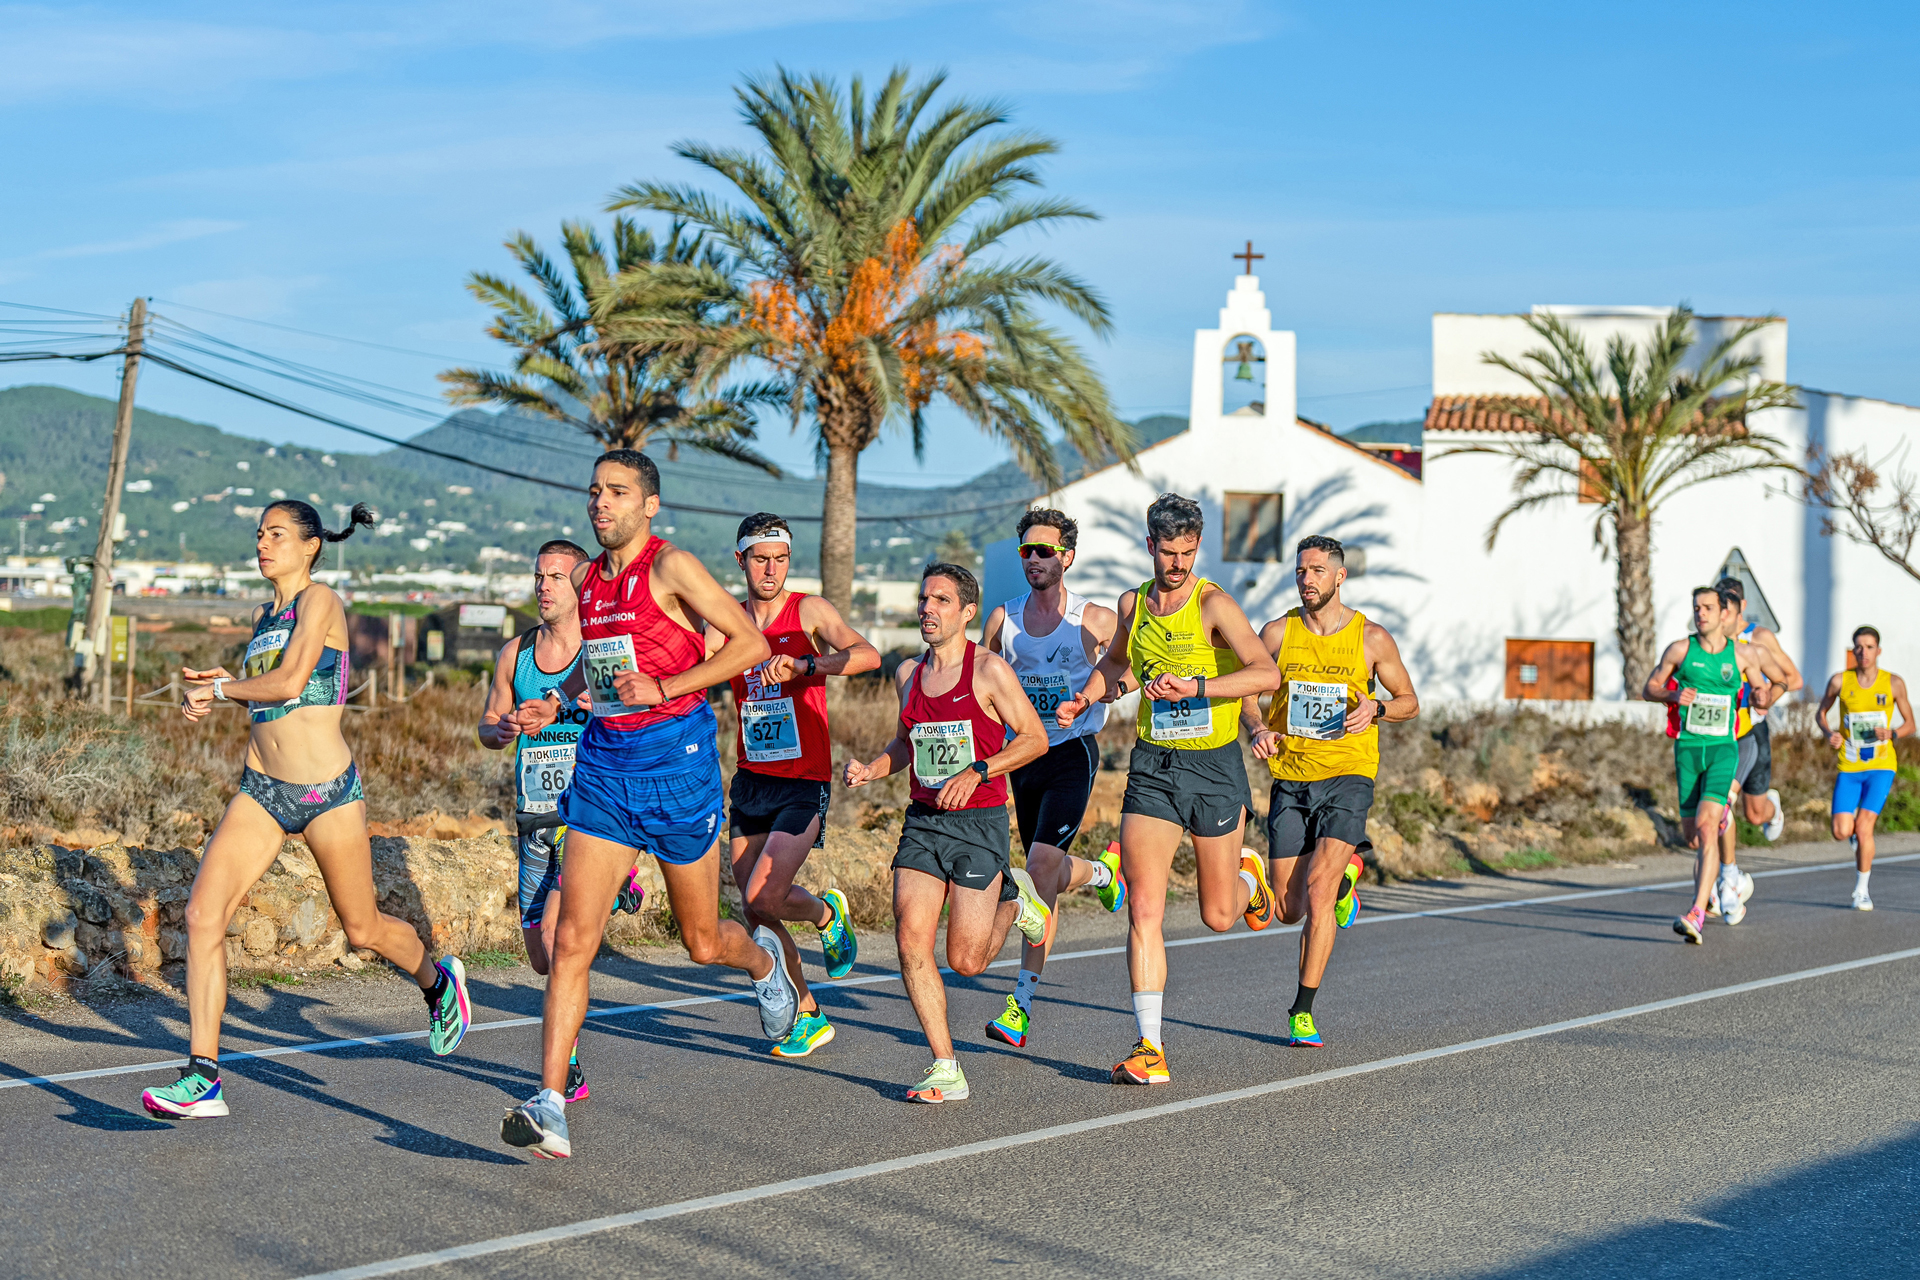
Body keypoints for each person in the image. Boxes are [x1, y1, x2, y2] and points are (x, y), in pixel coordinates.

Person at [499, 450, 788, 1159]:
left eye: (618, 492)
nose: (601, 502)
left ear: (649, 504)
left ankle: (762, 964)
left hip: (678, 771)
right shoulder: (587, 580)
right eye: (595, 490)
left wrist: (666, 687)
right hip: (603, 773)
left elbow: (750, 644)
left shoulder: (672, 567)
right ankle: (550, 1104)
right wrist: (558, 703)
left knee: (701, 941)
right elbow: (599, 666)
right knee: (573, 941)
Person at [142, 502, 472, 1120]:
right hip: (262, 789)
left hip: (326, 792)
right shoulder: (261, 615)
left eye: (276, 534)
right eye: (259, 534)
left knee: (363, 929)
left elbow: (293, 682)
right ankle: (203, 1076)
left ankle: (437, 983)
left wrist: (219, 688)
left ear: (311, 545)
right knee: (202, 915)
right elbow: (268, 696)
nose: (262, 544)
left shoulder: (321, 602)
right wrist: (226, 686)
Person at [1056, 493, 1281, 1086]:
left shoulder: (1213, 604)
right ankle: (1150, 1047)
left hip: (1213, 767)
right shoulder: (1134, 603)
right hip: (1154, 765)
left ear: (1196, 547)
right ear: (1150, 545)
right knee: (1144, 908)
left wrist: (1197, 686)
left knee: (1218, 915)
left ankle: (1248, 878)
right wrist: (1088, 696)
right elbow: (1118, 665)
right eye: (1167, 553)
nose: (1177, 565)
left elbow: (1266, 671)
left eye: (1186, 553)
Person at [845, 562, 1055, 1102]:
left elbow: (1034, 738)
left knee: (967, 961)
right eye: (923, 599)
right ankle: (946, 1066)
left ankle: (1016, 900)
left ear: (967, 612)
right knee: (910, 938)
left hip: (979, 823)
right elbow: (904, 743)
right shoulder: (906, 674)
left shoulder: (989, 671)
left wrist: (979, 770)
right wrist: (872, 768)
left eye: (941, 600)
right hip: (923, 822)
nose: (927, 608)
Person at [477, 538, 646, 1103]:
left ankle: (562, 1065)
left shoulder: (601, 649)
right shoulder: (516, 653)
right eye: (539, 576)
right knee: (538, 954)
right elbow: (487, 721)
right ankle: (617, 887)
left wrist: (586, 710)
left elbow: (633, 712)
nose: (545, 586)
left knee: (557, 935)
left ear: (581, 586)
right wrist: (501, 729)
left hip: (590, 814)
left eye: (557, 577)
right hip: (534, 816)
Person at [1242, 535, 1418, 1048]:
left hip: (1349, 774)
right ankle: (1345, 882)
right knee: (1288, 908)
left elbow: (1409, 701)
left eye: (1317, 570)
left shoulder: (1372, 638)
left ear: (1340, 576)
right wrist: (1258, 728)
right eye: (1301, 571)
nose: (1307, 579)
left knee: (1318, 892)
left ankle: (1302, 1011)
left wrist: (1377, 709)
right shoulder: (1278, 633)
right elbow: (1247, 692)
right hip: (1292, 776)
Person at [716, 512, 881, 1058]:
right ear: (740, 560)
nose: (771, 570)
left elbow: (868, 655)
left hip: (803, 780)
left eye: (780, 559)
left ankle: (826, 914)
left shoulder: (807, 610)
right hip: (751, 779)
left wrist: (808, 665)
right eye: (761, 559)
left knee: (765, 894)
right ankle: (809, 1012)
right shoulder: (729, 620)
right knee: (755, 910)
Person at [979, 508, 1125, 1049]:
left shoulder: (1095, 619)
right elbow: (980, 682)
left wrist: (1089, 696)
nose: (1035, 559)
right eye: (1027, 551)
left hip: (1071, 752)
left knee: (1039, 868)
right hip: (1023, 756)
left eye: (1045, 550)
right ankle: (1103, 874)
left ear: (1068, 556)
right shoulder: (1003, 619)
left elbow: (1128, 671)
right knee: (1050, 867)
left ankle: (1020, 1003)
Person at [1643, 585, 1782, 944]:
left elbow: (1764, 690)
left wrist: (1761, 695)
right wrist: (1672, 694)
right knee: (1693, 837)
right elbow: (1649, 688)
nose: (1700, 613)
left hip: (1723, 750)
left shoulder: (1743, 654)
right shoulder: (1680, 650)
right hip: (1688, 750)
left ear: (1724, 613)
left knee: (1707, 827)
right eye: (1696, 607)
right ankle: (1713, 884)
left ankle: (1697, 912)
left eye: (1707, 607)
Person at [1704, 578, 1802, 925]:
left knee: (1755, 814)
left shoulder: (1758, 639)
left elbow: (1793, 678)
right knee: (1718, 807)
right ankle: (1724, 883)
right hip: (1720, 733)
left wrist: (1764, 698)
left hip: (1752, 729)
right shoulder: (1707, 642)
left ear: (1740, 607)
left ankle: (1771, 808)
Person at [1815, 626, 1914, 911]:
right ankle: (1854, 834)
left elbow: (1911, 724)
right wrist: (1828, 733)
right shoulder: (1840, 681)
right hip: (1849, 765)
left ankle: (1861, 891)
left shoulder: (1893, 683)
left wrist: (1892, 733)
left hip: (1881, 765)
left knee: (1864, 826)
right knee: (1840, 831)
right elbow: (1821, 712)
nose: (1864, 652)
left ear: (1878, 650)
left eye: (1869, 647)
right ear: (1853, 650)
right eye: (1859, 647)